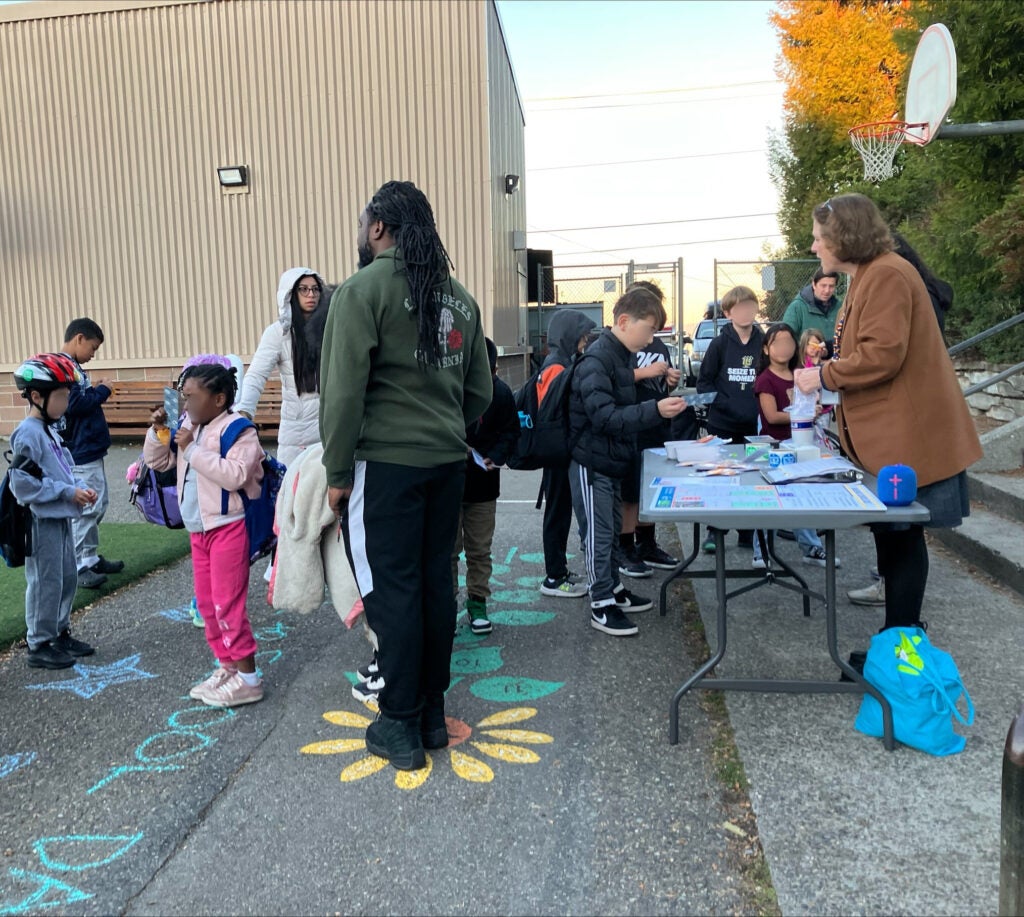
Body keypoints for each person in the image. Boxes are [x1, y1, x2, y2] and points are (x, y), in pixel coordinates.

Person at [319, 180, 492, 771]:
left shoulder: (361, 291)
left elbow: (341, 394)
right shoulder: (460, 298)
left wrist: (337, 472)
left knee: (390, 591)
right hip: (445, 464)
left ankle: (397, 724)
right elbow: (481, 391)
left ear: (376, 229)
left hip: (384, 465)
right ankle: (429, 717)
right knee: (433, 586)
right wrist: (441, 425)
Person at [794, 193, 982, 655]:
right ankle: (896, 639)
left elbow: (882, 356)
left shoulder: (888, 275)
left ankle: (902, 644)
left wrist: (821, 375)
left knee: (902, 536)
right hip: (890, 439)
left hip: (908, 438)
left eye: (820, 239)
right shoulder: (867, 276)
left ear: (844, 237)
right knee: (892, 534)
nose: (815, 248)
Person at [567, 286, 688, 637]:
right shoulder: (598, 358)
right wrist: (655, 410)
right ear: (623, 321)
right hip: (593, 463)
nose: (651, 338)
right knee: (598, 535)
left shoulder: (618, 356)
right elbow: (603, 416)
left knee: (609, 532)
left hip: (611, 460)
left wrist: (657, 399)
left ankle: (613, 589)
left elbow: (622, 404)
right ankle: (601, 603)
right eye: (649, 328)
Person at [145, 360, 265, 708]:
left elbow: (235, 475)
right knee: (209, 606)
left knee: (228, 604)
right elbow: (159, 463)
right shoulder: (188, 428)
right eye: (183, 398)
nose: (186, 406)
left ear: (219, 399)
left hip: (229, 527)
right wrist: (159, 434)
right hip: (199, 530)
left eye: (193, 398)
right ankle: (227, 667)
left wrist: (192, 450)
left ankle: (249, 679)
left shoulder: (240, 430)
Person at [10, 354, 98, 669]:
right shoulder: (28, 433)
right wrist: (66, 491)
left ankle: (59, 631)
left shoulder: (49, 430)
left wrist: (78, 486)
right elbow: (22, 486)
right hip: (41, 521)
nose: (65, 403)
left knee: (65, 577)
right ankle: (39, 642)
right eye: (61, 397)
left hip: (61, 517)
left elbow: (62, 469)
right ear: (37, 396)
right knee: (45, 581)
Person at [751, 322, 840, 569]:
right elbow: (771, 416)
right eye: (777, 343)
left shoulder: (802, 373)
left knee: (804, 495)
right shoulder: (765, 380)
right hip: (776, 447)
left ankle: (811, 547)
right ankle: (761, 551)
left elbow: (819, 400)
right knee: (768, 498)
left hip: (803, 444)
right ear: (767, 349)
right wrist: (804, 414)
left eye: (789, 342)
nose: (784, 347)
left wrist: (816, 409)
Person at [617, 280, 688, 578]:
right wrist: (646, 372)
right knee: (630, 492)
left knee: (650, 487)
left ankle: (647, 543)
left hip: (656, 424)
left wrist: (668, 379)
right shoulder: (619, 342)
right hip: (631, 423)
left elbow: (661, 382)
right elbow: (613, 377)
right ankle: (625, 546)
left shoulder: (657, 344)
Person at [450, 338, 520, 637]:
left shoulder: (501, 393)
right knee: (447, 552)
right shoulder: (450, 390)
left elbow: (511, 431)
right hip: (449, 483)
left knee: (480, 550)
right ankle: (447, 607)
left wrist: (496, 455)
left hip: (484, 484)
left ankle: (478, 605)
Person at [236, 268, 330, 469]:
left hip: (330, 430)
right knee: (292, 492)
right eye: (303, 289)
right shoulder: (278, 333)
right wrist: (245, 411)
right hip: (297, 434)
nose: (311, 295)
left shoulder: (331, 327)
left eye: (315, 289)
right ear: (290, 294)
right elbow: (257, 374)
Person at [696, 285, 765, 553]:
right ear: (728, 312)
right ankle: (716, 531)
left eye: (750, 306)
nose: (746, 312)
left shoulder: (763, 342)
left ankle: (748, 532)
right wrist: (725, 405)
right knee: (722, 478)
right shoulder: (719, 343)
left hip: (755, 427)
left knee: (752, 478)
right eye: (739, 307)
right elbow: (704, 383)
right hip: (723, 424)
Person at [60, 318, 123, 589]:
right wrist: (102, 391)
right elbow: (74, 405)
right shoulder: (64, 369)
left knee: (99, 503)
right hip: (81, 451)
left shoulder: (73, 368)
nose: (93, 354)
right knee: (86, 507)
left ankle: (89, 556)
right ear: (79, 339)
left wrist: (93, 388)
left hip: (90, 448)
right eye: (93, 348)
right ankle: (77, 564)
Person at [536, 310, 594, 600]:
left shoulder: (561, 362)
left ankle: (558, 572)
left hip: (561, 451)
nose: (585, 341)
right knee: (557, 515)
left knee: (560, 513)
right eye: (582, 335)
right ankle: (553, 576)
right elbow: (550, 413)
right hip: (557, 453)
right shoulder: (556, 366)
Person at [782, 267, 842, 350]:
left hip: (836, 359)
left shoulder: (840, 307)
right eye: (823, 285)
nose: (827, 290)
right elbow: (785, 338)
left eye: (831, 286)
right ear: (814, 284)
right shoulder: (797, 307)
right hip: (806, 360)